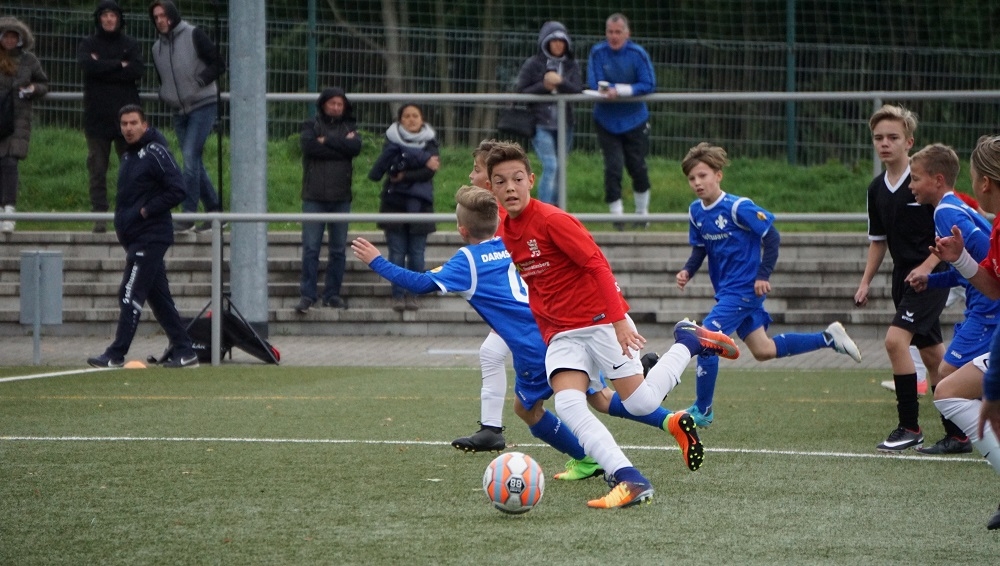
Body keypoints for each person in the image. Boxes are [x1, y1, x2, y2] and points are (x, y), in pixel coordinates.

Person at [353, 184, 716, 480]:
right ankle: (668, 420)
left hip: (537, 344)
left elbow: (419, 284)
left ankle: (592, 459)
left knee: (528, 408)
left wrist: (376, 260)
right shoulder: (511, 243)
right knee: (600, 398)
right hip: (562, 328)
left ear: (462, 230)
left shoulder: (467, 261)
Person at [484, 141, 739, 509]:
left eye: (517, 179)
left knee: (641, 403)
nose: (510, 187)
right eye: (500, 181)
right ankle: (630, 479)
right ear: (491, 188)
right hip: (562, 334)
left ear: (531, 180)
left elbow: (597, 265)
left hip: (600, 321)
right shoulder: (506, 230)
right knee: (569, 405)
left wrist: (618, 321)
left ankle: (688, 341)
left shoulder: (552, 220)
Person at [674, 142, 862, 429]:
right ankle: (828, 338)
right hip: (727, 291)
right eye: (691, 178)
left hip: (744, 290)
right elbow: (700, 248)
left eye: (703, 175)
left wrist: (763, 274)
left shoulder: (738, 207)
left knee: (707, 339)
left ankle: (703, 410)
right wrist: (687, 270)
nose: (697, 182)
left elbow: (772, 237)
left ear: (718, 175)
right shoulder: (695, 211)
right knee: (763, 350)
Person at [853, 105, 949, 452]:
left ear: (909, 142)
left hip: (931, 276)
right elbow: (878, 241)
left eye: (893, 137)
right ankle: (958, 432)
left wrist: (927, 267)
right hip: (902, 279)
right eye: (878, 137)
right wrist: (865, 282)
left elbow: (949, 234)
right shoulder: (876, 188)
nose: (884, 143)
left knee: (895, 342)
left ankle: (909, 426)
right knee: (934, 356)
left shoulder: (924, 183)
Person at [86, 104, 198, 369]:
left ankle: (116, 353)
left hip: (151, 237)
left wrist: (147, 210)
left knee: (129, 292)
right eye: (124, 124)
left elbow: (178, 189)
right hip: (135, 238)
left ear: (144, 125)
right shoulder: (129, 156)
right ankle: (185, 350)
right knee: (159, 299)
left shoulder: (155, 152)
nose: (128, 128)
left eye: (133, 123)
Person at [903, 143, 998, 455]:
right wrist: (933, 278)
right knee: (952, 380)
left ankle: (964, 438)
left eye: (915, 178)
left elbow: (984, 258)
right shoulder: (958, 208)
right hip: (985, 302)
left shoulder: (945, 212)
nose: (911, 185)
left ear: (938, 180)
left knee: (947, 378)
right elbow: (971, 270)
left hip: (986, 309)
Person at [927, 134, 1000, 529]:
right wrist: (961, 261)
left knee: (949, 390)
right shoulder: (996, 225)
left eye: (972, 177)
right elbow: (994, 287)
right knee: (949, 389)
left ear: (984, 183)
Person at [450, 140, 511, 452]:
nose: (470, 175)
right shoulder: (496, 216)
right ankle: (491, 429)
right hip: (525, 310)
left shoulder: (504, 219)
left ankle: (641, 367)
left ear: (490, 181)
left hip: (539, 309)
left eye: (476, 169)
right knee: (491, 352)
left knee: (580, 382)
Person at [148, 1, 225, 233]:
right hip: (179, 111)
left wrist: (200, 81)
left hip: (203, 104)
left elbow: (219, 63)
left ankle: (188, 214)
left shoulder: (194, 34)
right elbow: (163, 78)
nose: (160, 20)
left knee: (190, 157)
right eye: (156, 17)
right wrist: (165, 94)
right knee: (194, 162)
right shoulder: (155, 48)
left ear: (172, 15)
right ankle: (215, 211)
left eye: (163, 15)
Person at [77, 1, 143, 234]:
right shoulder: (88, 43)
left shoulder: (130, 43)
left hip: (127, 119)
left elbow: (137, 70)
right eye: (104, 15)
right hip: (97, 118)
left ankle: (131, 215)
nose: (108, 19)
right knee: (97, 170)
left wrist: (102, 66)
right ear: (99, 18)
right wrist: (118, 65)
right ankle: (100, 217)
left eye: (113, 15)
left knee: (132, 170)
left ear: (119, 19)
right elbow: (87, 66)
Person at [294, 87, 362, 314]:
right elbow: (310, 147)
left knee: (338, 250)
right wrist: (340, 146)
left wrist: (327, 141)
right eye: (332, 103)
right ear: (323, 104)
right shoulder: (310, 125)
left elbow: (355, 148)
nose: (336, 107)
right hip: (313, 196)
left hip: (341, 197)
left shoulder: (350, 127)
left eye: (339, 104)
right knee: (311, 248)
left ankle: (332, 294)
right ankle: (308, 295)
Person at [586, 13, 655, 230]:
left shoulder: (637, 54)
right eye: (610, 32)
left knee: (637, 166)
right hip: (606, 120)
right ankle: (617, 218)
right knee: (613, 167)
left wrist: (621, 91)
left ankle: (642, 214)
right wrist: (606, 91)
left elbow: (648, 83)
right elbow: (594, 82)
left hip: (635, 120)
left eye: (618, 32)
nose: (614, 36)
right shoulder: (597, 52)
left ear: (627, 33)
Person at [368, 103, 439, 312]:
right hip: (394, 204)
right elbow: (389, 168)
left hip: (421, 206)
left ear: (422, 119)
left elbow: (430, 171)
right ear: (400, 120)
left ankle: (414, 294)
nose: (411, 119)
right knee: (397, 253)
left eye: (415, 115)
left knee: (417, 254)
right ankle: (398, 295)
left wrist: (405, 173)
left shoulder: (430, 141)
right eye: (406, 116)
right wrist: (421, 160)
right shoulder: (391, 140)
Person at [514, 21, 582, 207]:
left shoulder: (571, 65)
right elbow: (521, 92)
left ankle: (558, 209)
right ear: (545, 42)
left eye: (562, 41)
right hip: (540, 123)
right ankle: (544, 209)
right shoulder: (533, 64)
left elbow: (577, 89)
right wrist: (544, 86)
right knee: (551, 165)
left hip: (565, 124)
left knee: (560, 168)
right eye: (554, 41)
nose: (558, 45)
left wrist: (560, 82)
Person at [0, 16, 48, 235]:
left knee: (10, 163)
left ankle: (9, 212)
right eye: (6, 36)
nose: (10, 40)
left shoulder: (29, 60)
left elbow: (43, 83)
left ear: (20, 39)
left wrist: (33, 90)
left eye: (14, 37)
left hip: (18, 120)